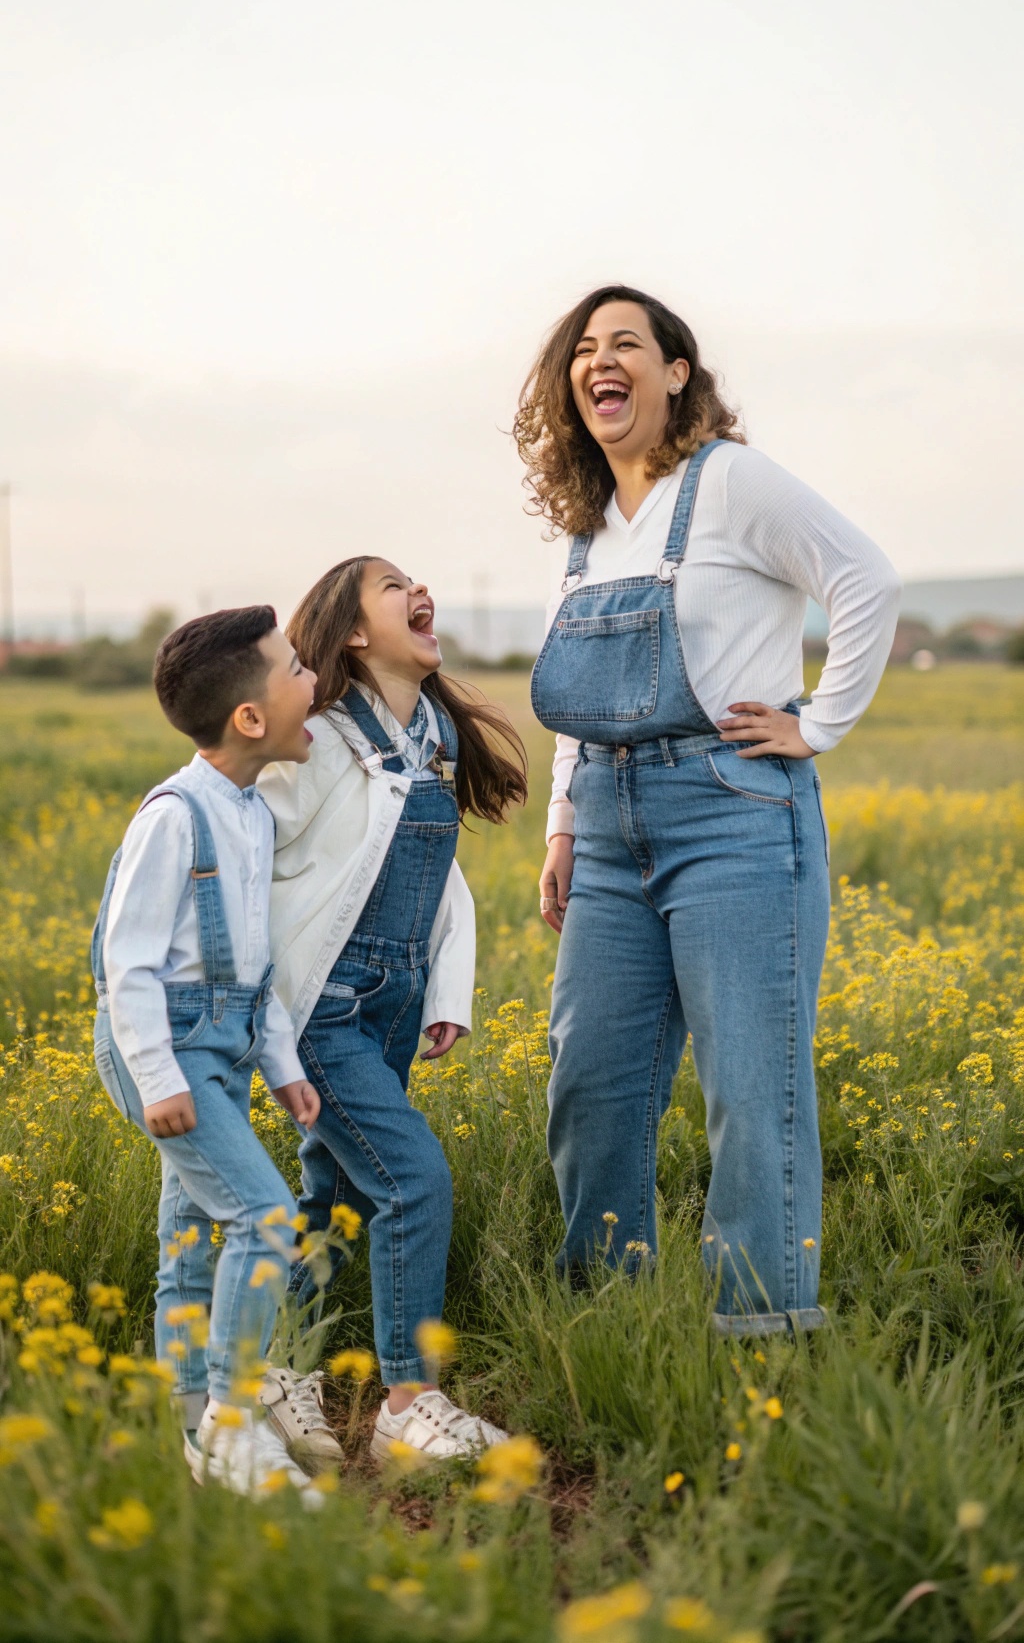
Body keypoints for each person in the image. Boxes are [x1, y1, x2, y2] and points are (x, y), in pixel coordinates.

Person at [517, 285, 901, 1335]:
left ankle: (760, 1334)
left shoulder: (728, 482)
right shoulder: (589, 526)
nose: (603, 360)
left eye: (627, 343)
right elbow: (580, 691)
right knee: (589, 1079)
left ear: (675, 371)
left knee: (749, 1085)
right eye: (584, 349)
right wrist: (561, 820)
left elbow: (864, 577)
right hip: (604, 820)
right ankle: (608, 1316)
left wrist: (816, 724)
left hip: (732, 811)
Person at [258, 556, 528, 1457]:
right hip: (324, 1010)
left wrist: (445, 989)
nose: (423, 591)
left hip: (396, 1001)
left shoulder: (432, 735)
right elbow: (252, 852)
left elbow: (438, 878)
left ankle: (275, 1374)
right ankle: (410, 1409)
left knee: (332, 1197)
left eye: (419, 580)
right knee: (411, 1182)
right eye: (393, 585)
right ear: (354, 634)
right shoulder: (320, 738)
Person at [92, 606, 334, 1496]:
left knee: (191, 1241)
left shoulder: (250, 814)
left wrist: (283, 1064)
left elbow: (253, 958)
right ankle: (234, 1424)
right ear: (250, 718)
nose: (314, 684)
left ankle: (197, 1437)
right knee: (265, 1221)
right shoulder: (174, 814)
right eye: (297, 672)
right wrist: (157, 1075)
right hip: (168, 1047)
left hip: (224, 1045)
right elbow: (130, 962)